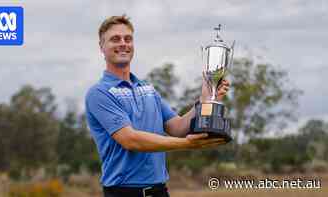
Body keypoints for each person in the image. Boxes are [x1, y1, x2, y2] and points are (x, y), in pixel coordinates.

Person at [85, 15, 230, 197]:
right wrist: (186, 144)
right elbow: (130, 140)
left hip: (160, 191)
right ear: (101, 47)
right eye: (115, 39)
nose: (123, 43)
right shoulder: (99, 93)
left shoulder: (148, 90)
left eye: (128, 39)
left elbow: (177, 127)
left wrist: (204, 99)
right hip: (124, 193)